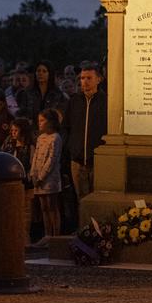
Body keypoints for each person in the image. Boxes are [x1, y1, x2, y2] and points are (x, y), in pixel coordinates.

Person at [64, 62, 107, 201]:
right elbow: (66, 126)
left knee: (97, 199)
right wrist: (72, 149)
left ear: (98, 79)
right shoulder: (74, 101)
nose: (85, 81)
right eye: (82, 78)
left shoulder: (105, 102)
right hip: (77, 159)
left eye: (89, 78)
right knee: (81, 199)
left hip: (97, 159)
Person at [30, 109, 62, 247]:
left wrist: (42, 176)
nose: (40, 123)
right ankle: (47, 234)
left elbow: (52, 159)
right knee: (43, 207)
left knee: (52, 207)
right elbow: (36, 156)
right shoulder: (40, 138)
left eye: (42, 121)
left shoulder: (55, 138)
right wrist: (33, 173)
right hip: (38, 178)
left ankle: (56, 235)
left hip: (49, 178)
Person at [2, 117, 35, 246]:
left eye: (16, 130)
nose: (13, 133)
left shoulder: (30, 146)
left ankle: (25, 236)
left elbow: (32, 163)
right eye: (12, 130)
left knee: (26, 211)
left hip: (26, 182)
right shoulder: (9, 144)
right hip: (11, 182)